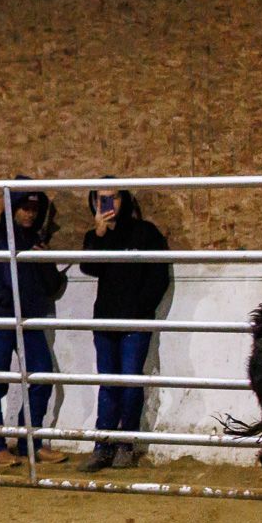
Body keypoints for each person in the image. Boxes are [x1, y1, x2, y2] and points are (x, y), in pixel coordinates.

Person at [0, 182, 70, 467]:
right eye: (25, 208)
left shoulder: (35, 239)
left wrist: (45, 261)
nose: (30, 214)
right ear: (13, 207)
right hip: (1, 317)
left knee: (42, 376)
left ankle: (30, 442)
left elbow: (50, 286)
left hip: (30, 319)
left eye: (35, 209)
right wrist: (9, 299)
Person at [78, 186, 171, 471]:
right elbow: (88, 268)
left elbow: (159, 276)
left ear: (124, 199)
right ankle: (102, 445)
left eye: (113, 196)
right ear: (93, 201)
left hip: (134, 322)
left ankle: (125, 445)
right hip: (105, 320)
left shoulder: (145, 232)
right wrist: (99, 235)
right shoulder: (95, 236)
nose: (107, 203)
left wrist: (140, 310)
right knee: (108, 383)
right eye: (101, 198)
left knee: (130, 382)